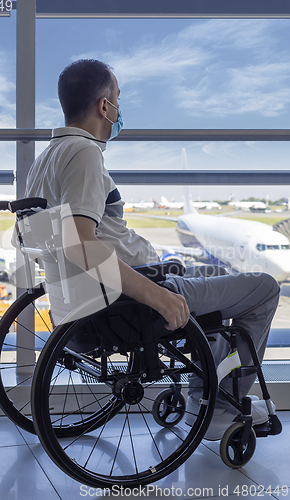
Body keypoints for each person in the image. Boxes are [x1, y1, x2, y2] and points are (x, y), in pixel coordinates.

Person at [25, 59, 280, 440]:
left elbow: (51, 241)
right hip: (129, 299)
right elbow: (81, 243)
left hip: (89, 298)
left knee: (194, 276)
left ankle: (209, 388)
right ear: (103, 105)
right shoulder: (84, 153)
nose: (119, 111)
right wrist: (160, 297)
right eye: (119, 100)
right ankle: (219, 408)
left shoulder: (45, 159)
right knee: (263, 288)